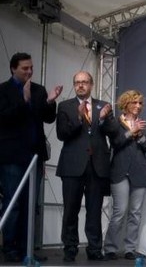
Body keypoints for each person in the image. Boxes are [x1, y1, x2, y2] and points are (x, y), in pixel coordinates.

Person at [0, 52, 62, 262]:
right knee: (13, 201)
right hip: (12, 157)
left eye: (31, 68)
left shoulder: (38, 90)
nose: (29, 71)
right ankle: (10, 248)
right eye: (25, 68)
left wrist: (51, 101)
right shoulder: (3, 90)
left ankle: (27, 248)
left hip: (34, 156)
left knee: (30, 204)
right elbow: (4, 118)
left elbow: (48, 117)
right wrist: (23, 101)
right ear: (13, 69)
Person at [56, 71, 117, 262]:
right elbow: (62, 134)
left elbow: (114, 132)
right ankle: (70, 248)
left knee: (94, 210)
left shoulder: (103, 106)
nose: (80, 85)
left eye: (84, 82)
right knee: (70, 210)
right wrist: (79, 118)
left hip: (96, 166)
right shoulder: (65, 106)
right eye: (77, 82)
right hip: (73, 166)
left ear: (91, 84)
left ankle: (94, 249)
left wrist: (103, 119)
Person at [103, 90, 146, 260]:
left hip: (139, 171)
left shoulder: (145, 125)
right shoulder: (116, 123)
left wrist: (139, 135)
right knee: (119, 211)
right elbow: (116, 143)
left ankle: (130, 248)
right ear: (126, 104)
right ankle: (110, 247)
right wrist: (130, 132)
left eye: (140, 103)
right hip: (119, 172)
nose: (138, 106)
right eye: (134, 102)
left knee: (135, 212)